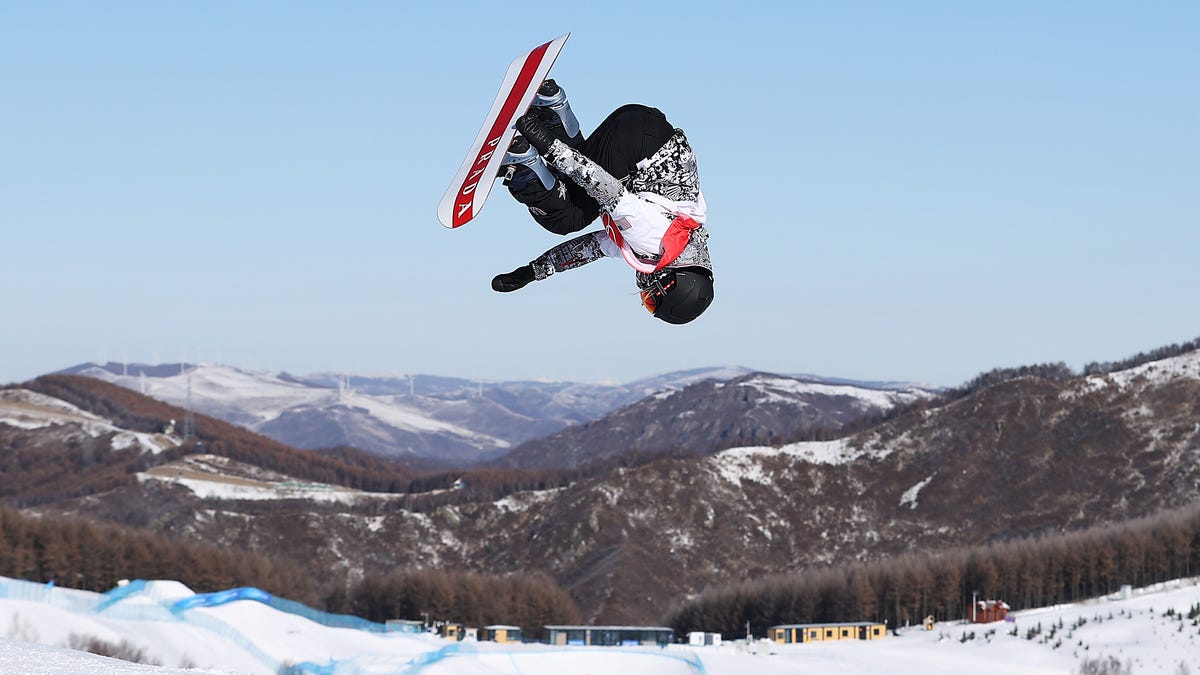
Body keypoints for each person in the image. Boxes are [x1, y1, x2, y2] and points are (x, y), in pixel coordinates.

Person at [490, 80, 714, 325]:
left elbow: (592, 248)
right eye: (650, 299)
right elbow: (608, 190)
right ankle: (522, 164)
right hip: (636, 145)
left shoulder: (681, 238)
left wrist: (533, 272)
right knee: (567, 218)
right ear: (667, 284)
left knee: (574, 194)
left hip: (641, 127)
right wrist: (546, 145)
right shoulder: (656, 243)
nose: (643, 295)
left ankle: (551, 108)